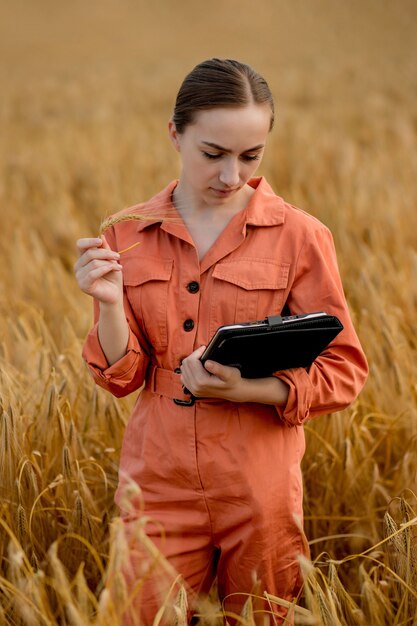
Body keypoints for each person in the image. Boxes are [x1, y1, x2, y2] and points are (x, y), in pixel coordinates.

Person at [74, 58, 368, 625]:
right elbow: (122, 376)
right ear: (175, 133)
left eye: (250, 156)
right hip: (156, 483)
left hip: (259, 487)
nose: (231, 174)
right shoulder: (125, 234)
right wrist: (109, 305)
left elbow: (346, 369)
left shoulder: (301, 236)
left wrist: (251, 388)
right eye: (213, 153)